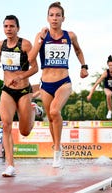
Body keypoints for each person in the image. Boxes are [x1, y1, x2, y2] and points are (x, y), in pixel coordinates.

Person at [28, 2, 88, 168]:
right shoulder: (41, 36)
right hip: (45, 84)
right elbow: (31, 58)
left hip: (63, 82)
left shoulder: (70, 36)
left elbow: (78, 50)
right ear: (47, 18)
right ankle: (56, 147)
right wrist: (40, 39)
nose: (54, 18)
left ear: (63, 18)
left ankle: (57, 151)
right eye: (51, 15)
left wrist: (83, 66)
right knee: (51, 119)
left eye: (58, 15)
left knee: (55, 111)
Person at [0, 15, 39, 177]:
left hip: (23, 91)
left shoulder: (25, 44)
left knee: (24, 131)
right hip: (7, 90)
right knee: (6, 124)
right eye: (6, 26)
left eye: (12, 26)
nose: (8, 29)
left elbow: (35, 68)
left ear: (18, 28)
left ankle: (33, 111)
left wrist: (21, 77)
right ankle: (10, 165)